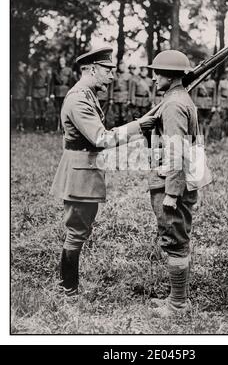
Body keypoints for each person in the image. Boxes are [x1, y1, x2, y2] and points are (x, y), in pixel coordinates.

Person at [50, 47, 157, 298]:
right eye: (108, 70)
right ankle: (68, 290)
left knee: (80, 230)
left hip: (86, 168)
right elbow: (100, 137)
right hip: (80, 171)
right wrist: (138, 126)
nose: (112, 75)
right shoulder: (79, 98)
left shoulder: (87, 95)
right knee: (76, 231)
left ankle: (68, 287)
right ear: (92, 69)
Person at [146, 50, 199, 317]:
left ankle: (177, 305)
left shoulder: (173, 104)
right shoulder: (178, 98)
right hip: (172, 179)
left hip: (170, 181)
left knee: (175, 241)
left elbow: (177, 149)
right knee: (178, 239)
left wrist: (172, 192)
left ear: (171, 75)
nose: (154, 78)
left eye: (158, 72)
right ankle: (177, 299)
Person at [50, 56, 74, 131]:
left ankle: (65, 127)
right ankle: (57, 126)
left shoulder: (69, 70)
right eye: (60, 61)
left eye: (63, 61)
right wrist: (51, 93)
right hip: (57, 92)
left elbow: (71, 82)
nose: (61, 62)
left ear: (65, 62)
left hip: (66, 92)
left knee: (65, 110)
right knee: (57, 110)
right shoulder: (55, 71)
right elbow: (52, 83)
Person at [191, 75, 217, 142]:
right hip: (199, 105)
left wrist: (214, 105)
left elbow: (214, 95)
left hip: (209, 105)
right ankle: (200, 138)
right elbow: (194, 94)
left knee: (208, 122)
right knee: (200, 122)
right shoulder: (198, 82)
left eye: (208, 74)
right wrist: (194, 105)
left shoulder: (213, 83)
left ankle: (206, 138)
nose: (207, 75)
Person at [28, 59, 51, 131]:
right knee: (35, 110)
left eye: (42, 63)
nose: (40, 65)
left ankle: (43, 126)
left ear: (44, 65)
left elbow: (48, 86)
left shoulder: (46, 73)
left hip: (43, 93)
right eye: (39, 64)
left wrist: (47, 96)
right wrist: (29, 95)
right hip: (35, 93)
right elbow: (30, 84)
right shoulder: (34, 73)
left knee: (43, 110)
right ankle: (36, 126)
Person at [109, 60, 131, 125]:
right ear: (118, 66)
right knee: (116, 115)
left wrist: (129, 99)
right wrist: (111, 98)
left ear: (125, 67)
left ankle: (123, 131)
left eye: (123, 66)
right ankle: (117, 130)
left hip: (124, 97)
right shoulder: (114, 75)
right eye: (120, 66)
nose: (122, 67)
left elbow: (130, 89)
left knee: (124, 115)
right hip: (116, 97)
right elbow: (111, 87)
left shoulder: (128, 75)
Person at [11, 61, 30, 131]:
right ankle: (17, 124)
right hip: (15, 94)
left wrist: (28, 95)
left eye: (22, 67)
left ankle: (21, 124)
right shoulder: (14, 75)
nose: (20, 68)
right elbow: (11, 85)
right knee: (16, 110)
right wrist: (11, 94)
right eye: (19, 66)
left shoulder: (26, 75)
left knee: (22, 110)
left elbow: (29, 85)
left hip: (23, 94)